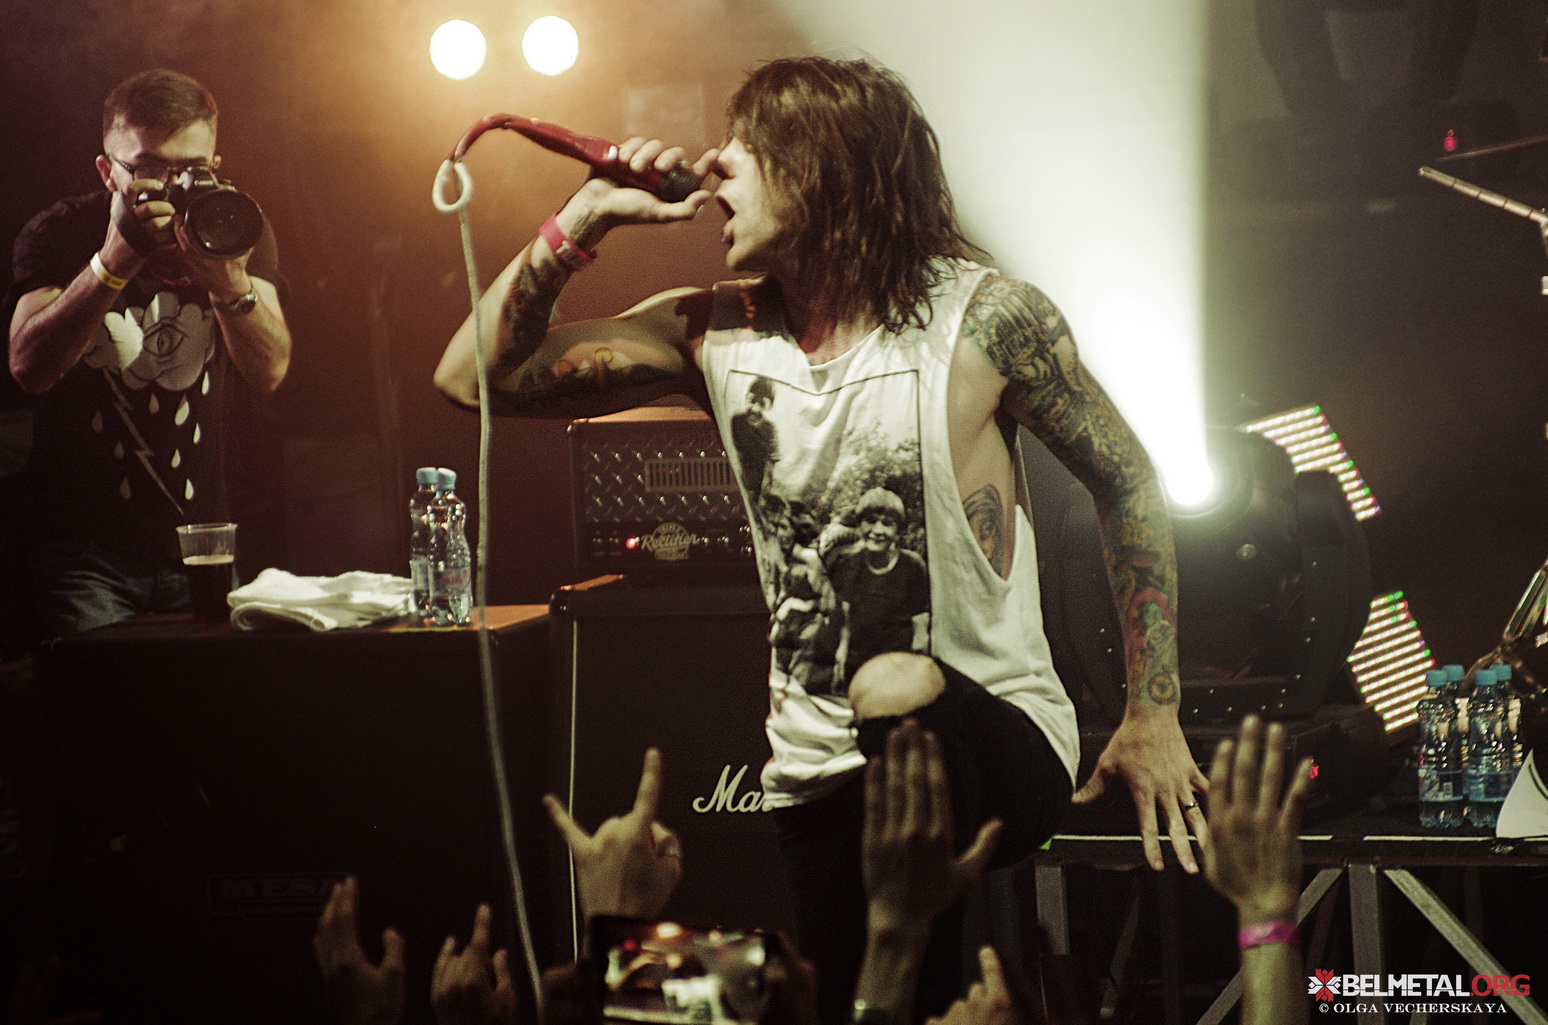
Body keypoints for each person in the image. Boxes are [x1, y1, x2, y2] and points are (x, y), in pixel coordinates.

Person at [436, 56, 1204, 1020]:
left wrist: (1153, 710)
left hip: (994, 736)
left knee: (895, 688)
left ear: (819, 165)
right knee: (816, 1000)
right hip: (818, 767)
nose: (714, 167)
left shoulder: (986, 319)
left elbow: (1127, 477)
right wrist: (584, 216)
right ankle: (614, 978)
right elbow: (471, 378)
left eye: (745, 149)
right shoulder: (712, 333)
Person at [5, 69, 290, 638]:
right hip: (83, 553)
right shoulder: (61, 232)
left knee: (210, 692)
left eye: (194, 168)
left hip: (202, 542)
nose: (175, 185)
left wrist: (231, 284)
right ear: (107, 170)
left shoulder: (231, 224)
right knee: (107, 693)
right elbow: (29, 368)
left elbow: (270, 371)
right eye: (151, 168)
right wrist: (113, 262)